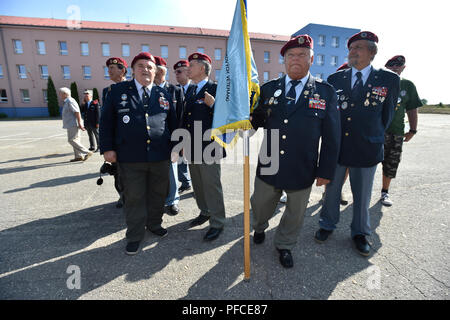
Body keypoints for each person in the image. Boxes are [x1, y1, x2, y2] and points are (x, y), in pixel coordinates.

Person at [250, 35, 341, 268]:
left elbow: (332, 136)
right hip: (269, 159)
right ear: (284, 60)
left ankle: (285, 245)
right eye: (291, 55)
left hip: (303, 163)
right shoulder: (268, 89)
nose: (296, 59)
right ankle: (259, 227)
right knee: (260, 205)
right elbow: (256, 121)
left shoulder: (325, 92)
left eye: (302, 55)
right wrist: (245, 116)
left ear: (311, 59)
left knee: (295, 211)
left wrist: (326, 170)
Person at [315, 31, 400, 257]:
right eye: (351, 48)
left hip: (367, 146)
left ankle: (360, 233)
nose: (353, 51)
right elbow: (331, 115)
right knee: (332, 189)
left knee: (362, 195)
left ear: (372, 53)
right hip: (338, 146)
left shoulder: (389, 79)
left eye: (359, 48)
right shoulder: (335, 79)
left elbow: (387, 116)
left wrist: (371, 134)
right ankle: (326, 224)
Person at [99, 52, 178, 255]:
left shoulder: (163, 94)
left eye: (150, 67)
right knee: (134, 197)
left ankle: (154, 224)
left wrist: (176, 147)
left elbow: (173, 123)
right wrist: (107, 148)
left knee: (158, 193)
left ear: (156, 71)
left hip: (160, 155)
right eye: (141, 66)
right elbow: (106, 122)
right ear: (132, 70)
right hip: (130, 156)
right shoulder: (117, 91)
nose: (146, 70)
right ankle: (134, 235)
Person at [181, 52, 227, 242]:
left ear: (202, 68)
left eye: (191, 66)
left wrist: (214, 105)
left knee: (211, 185)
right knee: (198, 185)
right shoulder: (190, 90)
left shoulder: (216, 89)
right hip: (192, 146)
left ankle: (217, 222)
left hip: (210, 147)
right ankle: (205, 211)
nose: (187, 69)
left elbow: (227, 118)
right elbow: (185, 118)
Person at [380, 55, 422, 206]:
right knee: (365, 164)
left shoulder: (407, 85)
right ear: (387, 67)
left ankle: (385, 192)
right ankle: (362, 193)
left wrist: (413, 130)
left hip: (396, 132)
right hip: (375, 132)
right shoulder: (378, 82)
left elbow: (412, 108)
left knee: (391, 164)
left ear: (403, 68)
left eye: (398, 65)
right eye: (391, 65)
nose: (395, 68)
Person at [154, 56, 182, 216]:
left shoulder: (175, 90)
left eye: (160, 66)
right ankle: (158, 200)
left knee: (172, 170)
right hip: (154, 138)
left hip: (172, 137)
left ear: (165, 70)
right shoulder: (147, 90)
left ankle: (172, 201)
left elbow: (180, 115)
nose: (157, 69)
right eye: (155, 66)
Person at [102, 57, 128, 209]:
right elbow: (105, 119)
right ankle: (122, 195)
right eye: (108, 68)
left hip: (129, 138)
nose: (109, 71)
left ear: (122, 70)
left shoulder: (131, 88)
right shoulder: (107, 91)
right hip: (115, 139)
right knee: (117, 171)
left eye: (112, 68)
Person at [174, 59, 194, 194]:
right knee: (181, 159)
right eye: (175, 72)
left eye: (179, 72)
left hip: (196, 132)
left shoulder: (196, 88)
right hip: (180, 131)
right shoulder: (174, 90)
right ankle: (185, 182)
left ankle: (198, 183)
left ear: (188, 72)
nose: (177, 74)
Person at [59, 87, 93, 162]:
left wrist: (80, 123)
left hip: (73, 124)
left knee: (71, 140)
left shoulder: (70, 101)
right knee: (76, 140)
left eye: (60, 93)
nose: (59, 95)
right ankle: (78, 156)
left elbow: (77, 112)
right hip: (71, 124)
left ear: (65, 94)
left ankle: (87, 152)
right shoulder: (67, 101)